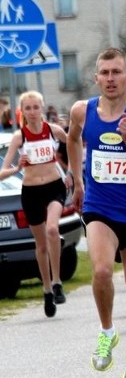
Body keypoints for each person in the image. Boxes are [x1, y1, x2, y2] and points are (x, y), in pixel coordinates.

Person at [67, 47, 126, 378]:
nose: (110, 78)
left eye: (116, 72)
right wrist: (77, 177)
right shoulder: (81, 110)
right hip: (98, 206)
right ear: (96, 78)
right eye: (104, 73)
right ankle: (107, 331)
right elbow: (73, 140)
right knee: (103, 270)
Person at [0, 91, 71, 317]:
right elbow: (2, 172)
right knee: (40, 246)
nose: (32, 112)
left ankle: (58, 282)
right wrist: (17, 169)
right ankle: (47, 290)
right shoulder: (19, 138)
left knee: (52, 229)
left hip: (54, 188)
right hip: (31, 191)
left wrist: (71, 173)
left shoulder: (54, 131)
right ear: (23, 111)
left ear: (42, 108)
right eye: (27, 108)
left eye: (35, 107)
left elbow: (76, 147)